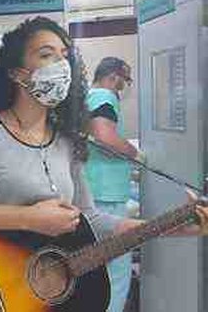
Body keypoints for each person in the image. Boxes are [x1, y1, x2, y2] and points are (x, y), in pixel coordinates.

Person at [0, 17, 208, 306]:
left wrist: (168, 226)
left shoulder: (66, 142)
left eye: (64, 56)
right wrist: (27, 218)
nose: (61, 65)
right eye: (46, 55)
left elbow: (91, 219)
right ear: (16, 72)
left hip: (41, 296)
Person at [85, 57, 142, 312]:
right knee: (116, 270)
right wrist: (134, 152)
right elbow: (104, 135)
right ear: (114, 77)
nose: (124, 87)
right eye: (124, 81)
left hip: (93, 188)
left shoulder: (87, 96)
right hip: (106, 194)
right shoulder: (105, 97)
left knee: (96, 268)